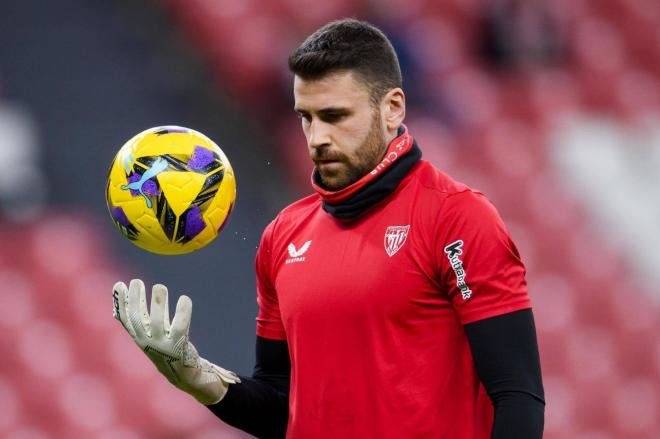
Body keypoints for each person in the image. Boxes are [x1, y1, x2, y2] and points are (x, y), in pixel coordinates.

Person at [113, 18, 545, 438]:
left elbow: (518, 398)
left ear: (392, 108)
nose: (317, 137)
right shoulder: (283, 236)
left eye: (335, 116)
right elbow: (282, 408)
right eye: (307, 117)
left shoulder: (456, 218)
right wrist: (197, 377)